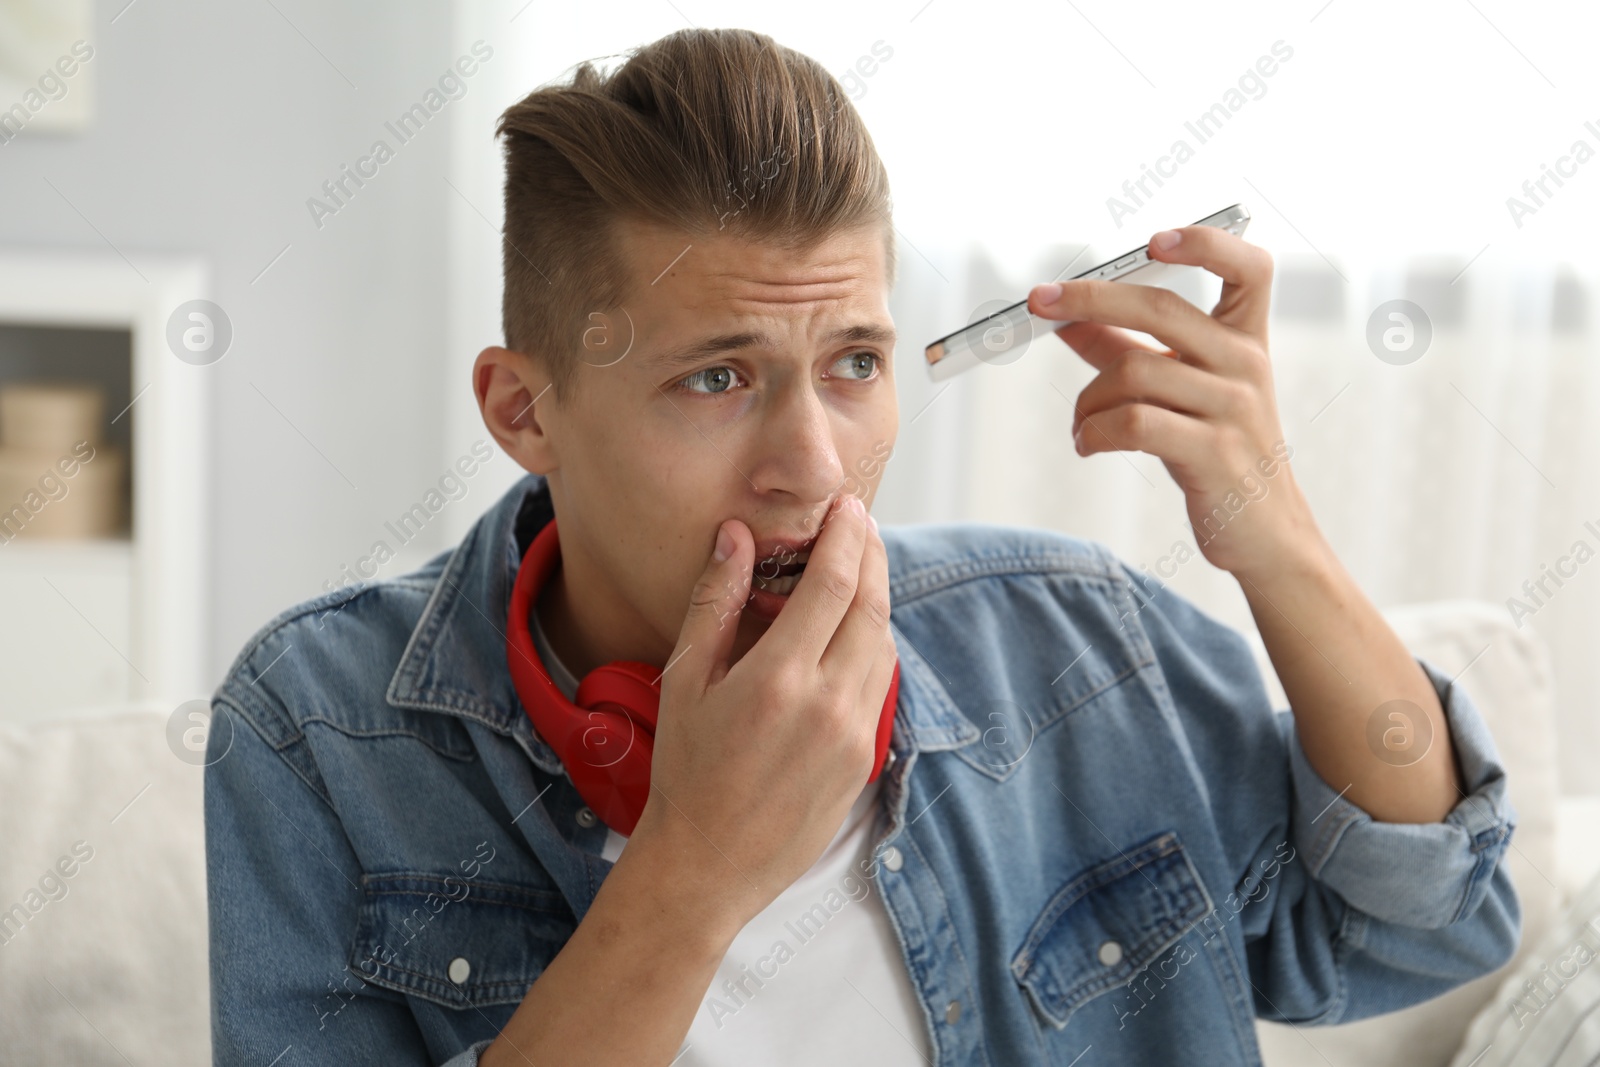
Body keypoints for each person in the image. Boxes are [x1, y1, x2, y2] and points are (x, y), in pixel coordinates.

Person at [204, 27, 1519, 1067]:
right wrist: (694, 868)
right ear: (523, 410)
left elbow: (1425, 923)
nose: (815, 468)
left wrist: (1275, 536)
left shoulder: (1077, 641)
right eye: (718, 379)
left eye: (855, 364)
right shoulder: (314, 727)